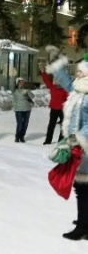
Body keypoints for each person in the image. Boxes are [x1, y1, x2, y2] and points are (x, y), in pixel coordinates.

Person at [46, 50, 88, 240]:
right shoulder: (80, 90)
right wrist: (56, 61)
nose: (77, 74)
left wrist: (78, 137)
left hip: (85, 146)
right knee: (82, 186)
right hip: (79, 146)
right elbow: (65, 81)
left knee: (82, 186)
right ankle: (84, 221)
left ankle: (82, 227)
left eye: (81, 72)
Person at [39, 64, 68, 145]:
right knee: (51, 125)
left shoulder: (65, 89)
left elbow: (68, 99)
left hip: (62, 110)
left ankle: (61, 140)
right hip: (54, 109)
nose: (57, 82)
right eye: (56, 81)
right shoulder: (52, 87)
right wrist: (43, 71)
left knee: (63, 125)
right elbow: (46, 80)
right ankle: (48, 140)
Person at [13, 77, 35, 143]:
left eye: (23, 82)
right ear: (17, 83)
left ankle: (22, 136)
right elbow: (18, 94)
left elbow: (32, 96)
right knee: (20, 124)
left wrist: (28, 91)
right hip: (18, 109)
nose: (22, 83)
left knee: (25, 124)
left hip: (27, 109)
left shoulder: (26, 90)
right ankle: (17, 136)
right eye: (21, 81)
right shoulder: (15, 90)